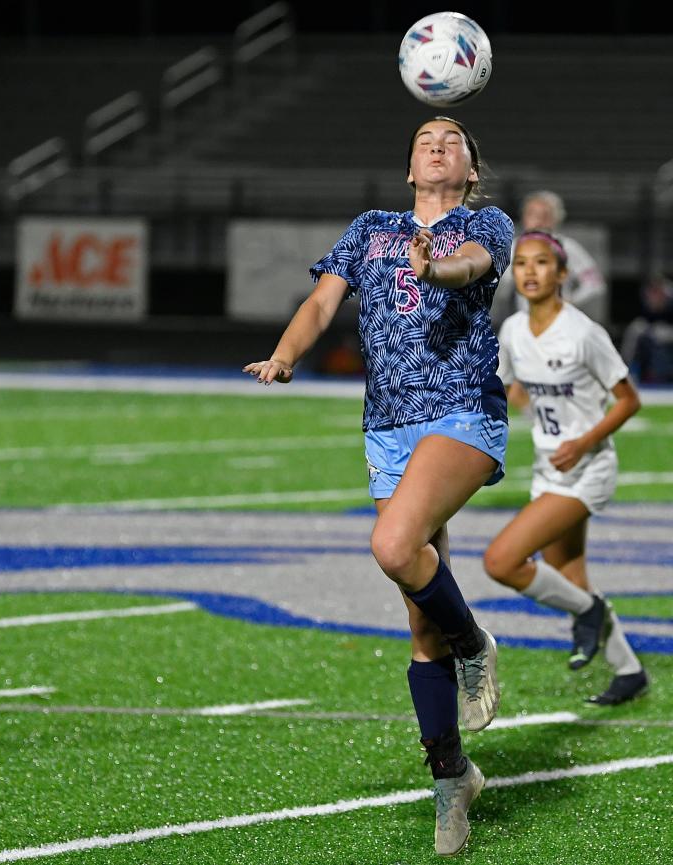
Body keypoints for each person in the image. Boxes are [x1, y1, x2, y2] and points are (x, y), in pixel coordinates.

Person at [243, 117, 513, 857]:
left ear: (469, 169)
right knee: (417, 621)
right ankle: (451, 775)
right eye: (427, 134)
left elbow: (472, 265)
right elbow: (324, 301)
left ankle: (476, 642)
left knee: (394, 545)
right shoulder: (369, 228)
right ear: (407, 169)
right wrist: (286, 353)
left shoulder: (485, 222)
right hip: (387, 429)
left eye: (453, 137)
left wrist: (436, 268)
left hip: (461, 411)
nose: (438, 142)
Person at [484, 232, 648, 706]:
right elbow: (508, 390)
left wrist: (583, 441)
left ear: (562, 275)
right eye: (520, 264)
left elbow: (628, 401)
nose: (530, 272)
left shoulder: (583, 333)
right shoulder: (513, 329)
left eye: (541, 263)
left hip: (588, 469)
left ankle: (589, 613)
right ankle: (629, 669)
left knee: (502, 561)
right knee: (569, 575)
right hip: (547, 469)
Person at [492, 190, 609, 328]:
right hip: (525, 324)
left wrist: (570, 302)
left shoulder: (568, 248)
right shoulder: (513, 249)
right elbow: (499, 287)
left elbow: (595, 284)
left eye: (545, 215)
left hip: (561, 324)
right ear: (524, 218)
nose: (538, 220)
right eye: (532, 214)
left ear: (557, 218)